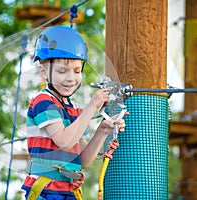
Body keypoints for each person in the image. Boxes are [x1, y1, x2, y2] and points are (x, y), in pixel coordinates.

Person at [21, 26, 126, 200]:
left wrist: (102, 130)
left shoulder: (75, 108)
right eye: (62, 71)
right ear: (43, 72)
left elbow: (83, 160)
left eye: (77, 71)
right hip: (46, 190)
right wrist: (92, 106)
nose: (71, 78)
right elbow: (64, 141)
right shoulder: (43, 102)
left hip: (68, 190)